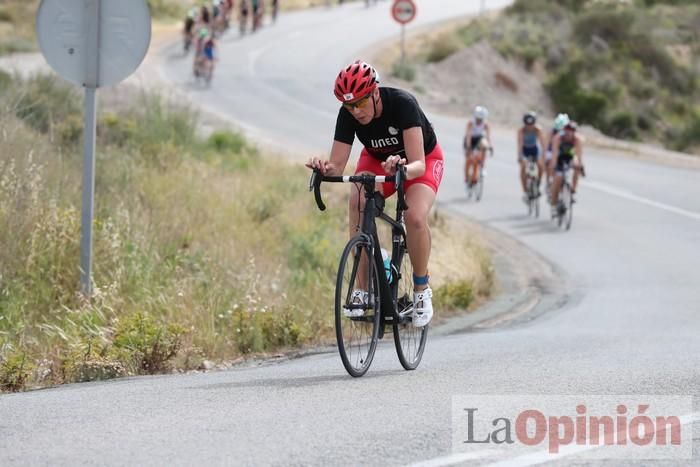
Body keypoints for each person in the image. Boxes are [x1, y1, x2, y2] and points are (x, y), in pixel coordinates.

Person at [305, 60, 444, 328]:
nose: (355, 111)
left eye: (360, 103)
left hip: (420, 161)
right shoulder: (347, 114)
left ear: (375, 92)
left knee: (415, 217)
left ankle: (421, 289)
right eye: (349, 105)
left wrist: (402, 166)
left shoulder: (403, 103)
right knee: (357, 199)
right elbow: (337, 164)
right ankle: (364, 286)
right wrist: (325, 167)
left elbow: (418, 164)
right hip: (378, 159)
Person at [550, 121, 585, 213]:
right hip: (559, 158)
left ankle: (573, 190)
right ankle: (553, 204)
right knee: (558, 178)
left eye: (571, 131)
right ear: (563, 131)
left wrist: (581, 166)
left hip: (570, 157)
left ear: (574, 132)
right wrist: (553, 167)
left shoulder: (578, 139)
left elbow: (578, 155)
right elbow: (554, 154)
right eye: (566, 130)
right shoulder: (558, 138)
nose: (568, 133)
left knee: (577, 166)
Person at [517, 111, 546, 201]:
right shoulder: (521, 131)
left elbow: (542, 143)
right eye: (527, 124)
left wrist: (544, 155)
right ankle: (525, 191)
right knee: (523, 166)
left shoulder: (538, 130)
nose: (530, 126)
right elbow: (520, 144)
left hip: (534, 149)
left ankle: (537, 184)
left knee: (541, 166)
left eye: (531, 124)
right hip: (525, 150)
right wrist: (520, 156)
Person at [463, 105, 492, 189]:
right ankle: (466, 177)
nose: (479, 121)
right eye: (478, 119)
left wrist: (490, 146)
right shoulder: (471, 122)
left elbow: (488, 136)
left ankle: (482, 166)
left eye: (481, 119)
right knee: (469, 160)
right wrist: (468, 147)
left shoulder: (486, 124)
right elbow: (468, 135)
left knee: (484, 145)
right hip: (470, 139)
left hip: (479, 139)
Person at [545, 113, 570, 194]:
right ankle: (549, 180)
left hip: (562, 151)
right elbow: (546, 145)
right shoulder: (552, 132)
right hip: (551, 150)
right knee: (550, 163)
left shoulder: (569, 132)